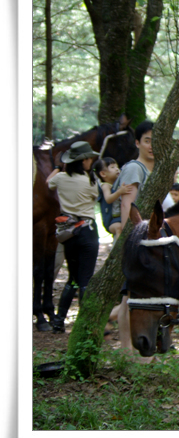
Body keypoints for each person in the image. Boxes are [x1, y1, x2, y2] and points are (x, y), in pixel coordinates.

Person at [47, 141, 100, 333]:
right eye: (89, 158)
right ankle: (83, 325)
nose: (91, 161)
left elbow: (48, 183)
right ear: (83, 160)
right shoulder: (91, 180)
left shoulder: (60, 178)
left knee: (72, 279)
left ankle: (59, 321)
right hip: (87, 230)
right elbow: (95, 197)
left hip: (68, 232)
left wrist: (57, 168)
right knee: (85, 280)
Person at [114, 120, 156, 361]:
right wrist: (134, 242)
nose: (151, 146)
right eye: (147, 140)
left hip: (152, 242)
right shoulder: (134, 168)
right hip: (138, 241)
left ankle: (141, 351)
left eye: (155, 141)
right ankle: (127, 351)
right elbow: (127, 207)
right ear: (138, 142)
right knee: (129, 297)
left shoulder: (156, 170)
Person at [93, 157, 133, 238]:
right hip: (112, 221)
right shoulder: (105, 186)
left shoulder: (118, 184)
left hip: (122, 217)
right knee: (119, 228)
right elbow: (108, 199)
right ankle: (119, 249)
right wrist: (119, 192)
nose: (117, 169)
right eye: (112, 167)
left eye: (117, 167)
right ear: (103, 174)